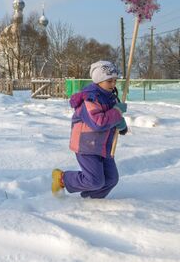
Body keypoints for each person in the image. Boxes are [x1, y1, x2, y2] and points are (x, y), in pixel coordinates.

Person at [52, 60, 128, 198]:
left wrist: (121, 123)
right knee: (94, 180)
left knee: (111, 179)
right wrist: (116, 112)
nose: (113, 84)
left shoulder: (112, 98)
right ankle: (62, 178)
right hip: (87, 145)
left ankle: (91, 201)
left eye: (115, 80)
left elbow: (112, 118)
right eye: (109, 81)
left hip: (105, 146)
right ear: (99, 80)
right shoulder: (90, 99)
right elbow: (98, 123)